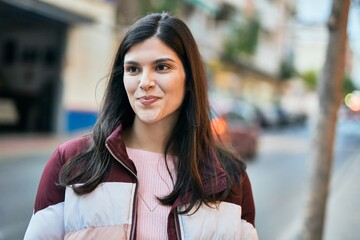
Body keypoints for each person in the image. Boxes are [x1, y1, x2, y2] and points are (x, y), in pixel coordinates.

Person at [24, 12, 258, 240]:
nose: (145, 82)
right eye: (133, 69)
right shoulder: (71, 161)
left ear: (189, 78)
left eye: (162, 67)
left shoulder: (229, 178)